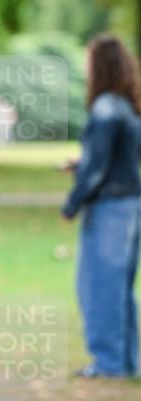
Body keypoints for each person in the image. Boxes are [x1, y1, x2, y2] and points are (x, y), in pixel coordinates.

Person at [62, 35, 141, 378]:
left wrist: (72, 203)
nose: (85, 67)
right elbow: (112, 160)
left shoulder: (106, 107)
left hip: (111, 208)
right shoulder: (126, 106)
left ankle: (109, 365)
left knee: (100, 286)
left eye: (89, 60)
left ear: (102, 65)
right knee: (120, 287)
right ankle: (126, 361)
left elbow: (97, 170)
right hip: (131, 203)